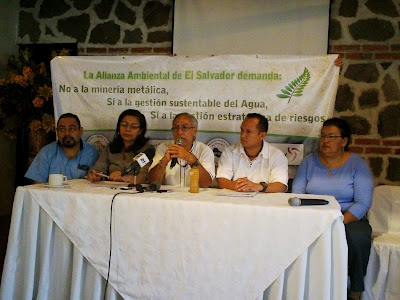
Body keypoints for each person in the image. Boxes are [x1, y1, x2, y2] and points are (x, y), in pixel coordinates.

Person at [292, 117, 373, 300]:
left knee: (358, 239)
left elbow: (363, 202)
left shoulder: (357, 165)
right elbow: (296, 194)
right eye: (323, 136)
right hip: (312, 216)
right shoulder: (309, 162)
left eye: (331, 136)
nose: (325, 141)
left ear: (344, 141)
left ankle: (355, 290)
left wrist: (339, 221)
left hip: (347, 218)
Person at [217, 113, 288, 192]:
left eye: (248, 132)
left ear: (262, 135)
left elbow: (281, 185)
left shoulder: (276, 155)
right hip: (234, 201)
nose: (243, 135)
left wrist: (259, 186)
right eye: (242, 130)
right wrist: (236, 185)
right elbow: (222, 180)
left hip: (263, 203)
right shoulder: (229, 151)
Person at [25, 113, 98, 183]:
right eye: (62, 129)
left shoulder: (92, 153)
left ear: (80, 131)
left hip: (82, 195)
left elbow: (97, 182)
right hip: (52, 195)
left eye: (71, 129)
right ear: (57, 132)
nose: (67, 133)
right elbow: (37, 186)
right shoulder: (46, 152)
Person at [87, 109, 154, 184]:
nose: (128, 129)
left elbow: (144, 177)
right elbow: (99, 169)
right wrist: (96, 175)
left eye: (134, 127)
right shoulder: (110, 148)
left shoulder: (147, 150)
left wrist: (123, 177)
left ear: (140, 131)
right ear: (118, 127)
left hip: (135, 193)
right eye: (124, 125)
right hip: (110, 191)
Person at [148, 112, 215, 187]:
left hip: (194, 196)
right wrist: (163, 162)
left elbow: (206, 184)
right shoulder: (163, 148)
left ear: (195, 131)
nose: (179, 132)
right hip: (169, 196)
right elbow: (152, 181)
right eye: (176, 128)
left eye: (185, 127)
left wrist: (191, 159)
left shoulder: (204, 150)